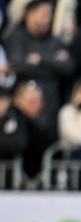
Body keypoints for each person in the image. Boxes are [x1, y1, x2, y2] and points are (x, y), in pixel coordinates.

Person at [4, 0, 74, 131]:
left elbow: (68, 66)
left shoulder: (54, 40)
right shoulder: (15, 37)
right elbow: (16, 66)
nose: (48, 19)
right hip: (20, 110)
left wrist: (40, 59)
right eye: (44, 15)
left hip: (50, 108)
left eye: (50, 15)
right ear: (29, 14)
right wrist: (52, 60)